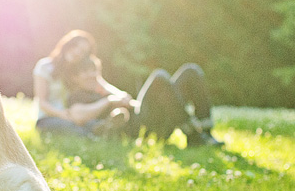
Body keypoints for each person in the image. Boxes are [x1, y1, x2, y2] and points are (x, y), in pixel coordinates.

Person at [34, 30, 222, 146]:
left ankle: (204, 132)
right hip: (141, 125)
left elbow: (108, 87)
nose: (91, 76)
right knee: (159, 77)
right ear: (75, 77)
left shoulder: (95, 82)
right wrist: (109, 101)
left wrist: (118, 95)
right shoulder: (75, 95)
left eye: (83, 54)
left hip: (147, 115)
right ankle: (192, 132)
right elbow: (71, 111)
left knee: (191, 71)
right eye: (85, 72)